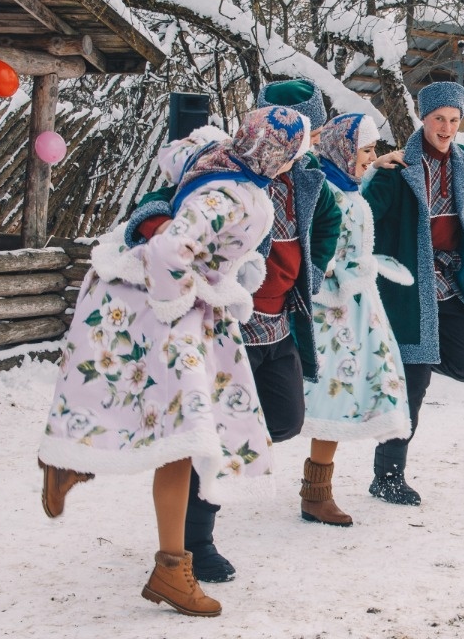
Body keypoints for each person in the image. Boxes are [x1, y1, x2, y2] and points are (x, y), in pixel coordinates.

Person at [37, 106, 310, 616]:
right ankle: (169, 565)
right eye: (290, 154)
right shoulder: (229, 194)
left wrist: (235, 271)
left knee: (180, 434)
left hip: (168, 302)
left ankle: (80, 475)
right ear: (276, 152)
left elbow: (175, 158)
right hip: (158, 303)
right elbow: (168, 250)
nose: (290, 164)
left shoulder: (222, 160)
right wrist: (179, 302)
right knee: (182, 433)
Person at [125, 79, 342, 582]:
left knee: (287, 420)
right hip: (224, 322)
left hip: (279, 321)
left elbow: (327, 224)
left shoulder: (309, 181)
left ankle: (212, 453)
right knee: (215, 436)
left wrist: (309, 272)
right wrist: (161, 232)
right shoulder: (225, 165)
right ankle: (197, 541)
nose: (298, 149)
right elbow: (160, 202)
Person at [361, 81, 464, 505]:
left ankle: (411, 361)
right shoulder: (399, 166)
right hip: (408, 288)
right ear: (424, 118)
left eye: (454, 120)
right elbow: (364, 215)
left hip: (449, 282)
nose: (447, 127)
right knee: (413, 389)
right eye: (440, 119)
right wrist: (371, 172)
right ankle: (388, 476)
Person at [298, 113, 413, 525]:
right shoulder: (324, 192)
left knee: (343, 395)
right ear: (344, 149)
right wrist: (346, 275)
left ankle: (317, 491)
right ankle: (315, 493)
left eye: (373, 150)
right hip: (333, 311)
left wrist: (375, 168)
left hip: (358, 309)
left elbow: (354, 199)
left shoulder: (346, 185)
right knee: (334, 395)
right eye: (366, 149)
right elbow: (318, 253)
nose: (372, 156)